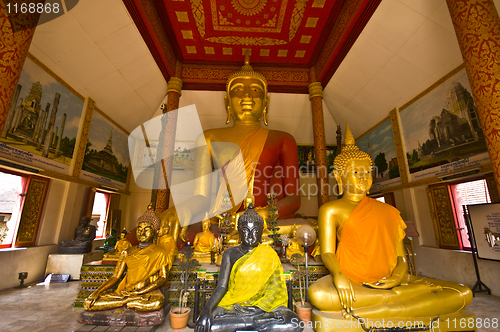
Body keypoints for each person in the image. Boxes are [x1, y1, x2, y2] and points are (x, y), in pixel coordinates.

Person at [308, 124, 473, 319]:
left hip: (391, 281)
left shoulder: (389, 211)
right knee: (318, 295)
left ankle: (381, 306)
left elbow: (400, 258)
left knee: (463, 293)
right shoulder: (331, 209)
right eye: (355, 172)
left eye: (367, 172)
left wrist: (396, 277)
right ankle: (406, 298)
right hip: (351, 281)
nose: (363, 177)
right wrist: (339, 276)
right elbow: (327, 252)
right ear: (339, 176)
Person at [159, 54, 300, 241]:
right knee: (179, 228)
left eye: (256, 90)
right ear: (227, 103)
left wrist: (265, 215)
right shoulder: (209, 137)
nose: (247, 96)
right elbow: (200, 197)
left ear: (266, 103)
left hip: (266, 221)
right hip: (222, 220)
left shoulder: (283, 139)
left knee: (305, 230)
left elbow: (294, 199)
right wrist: (180, 209)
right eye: (238, 89)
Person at [195, 204, 302, 332]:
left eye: (255, 231)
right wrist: (206, 310)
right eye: (246, 230)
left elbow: (275, 289)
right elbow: (222, 286)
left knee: (295, 324)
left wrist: (260, 308)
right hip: (235, 306)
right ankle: (258, 325)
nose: (250, 235)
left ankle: (253, 323)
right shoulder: (230, 254)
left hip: (265, 308)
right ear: (239, 230)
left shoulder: (269, 255)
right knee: (209, 326)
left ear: (261, 231)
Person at [83, 208, 171, 312]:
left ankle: (127, 301)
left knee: (156, 303)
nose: (142, 233)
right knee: (90, 302)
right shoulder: (127, 251)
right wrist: (96, 292)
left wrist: (140, 292)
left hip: (146, 292)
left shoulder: (160, 252)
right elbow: (116, 277)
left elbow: (163, 278)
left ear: (156, 232)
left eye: (147, 230)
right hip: (125, 292)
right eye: (139, 229)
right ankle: (126, 301)